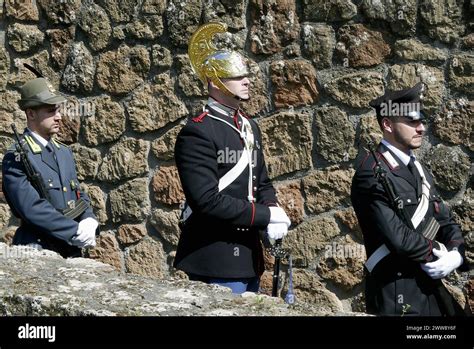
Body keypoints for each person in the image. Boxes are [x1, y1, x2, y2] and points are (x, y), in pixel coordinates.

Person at [173, 22, 291, 294]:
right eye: (237, 77)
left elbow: (261, 181)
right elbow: (207, 201)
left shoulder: (249, 126)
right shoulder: (198, 132)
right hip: (215, 259)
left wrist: (272, 210)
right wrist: (265, 215)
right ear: (214, 82)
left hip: (249, 259)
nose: (247, 80)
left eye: (246, 75)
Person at [351, 82, 468, 316]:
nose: (421, 128)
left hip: (429, 289)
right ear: (388, 124)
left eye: (421, 121)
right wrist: (439, 250)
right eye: (412, 122)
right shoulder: (371, 172)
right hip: (396, 292)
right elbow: (399, 238)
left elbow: (444, 220)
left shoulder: (419, 169)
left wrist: (455, 255)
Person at [2, 76, 97, 258]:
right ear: (31, 114)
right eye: (51, 111)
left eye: (58, 110)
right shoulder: (16, 156)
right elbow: (31, 208)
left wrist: (88, 219)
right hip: (36, 250)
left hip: (69, 249)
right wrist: (74, 231)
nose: (59, 117)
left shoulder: (63, 152)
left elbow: (78, 194)